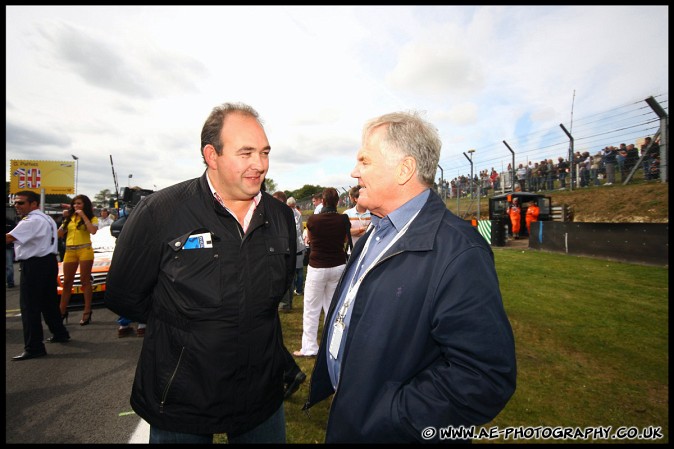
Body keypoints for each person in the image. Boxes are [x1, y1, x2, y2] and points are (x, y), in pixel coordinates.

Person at [303, 110, 516, 443]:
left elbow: (484, 375)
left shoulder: (458, 251)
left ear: (404, 169)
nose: (354, 171)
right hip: (351, 415)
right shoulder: (376, 232)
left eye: (365, 161)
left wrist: (390, 414)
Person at [104, 102, 296, 443]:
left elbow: (273, 296)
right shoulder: (160, 211)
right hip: (182, 396)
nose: (260, 165)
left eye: (265, 152)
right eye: (246, 152)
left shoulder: (280, 216)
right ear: (212, 155)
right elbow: (124, 295)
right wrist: (187, 328)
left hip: (260, 396)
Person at [6, 191, 71, 361]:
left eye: (21, 203)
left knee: (29, 307)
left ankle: (34, 346)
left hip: (35, 265)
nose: (17, 206)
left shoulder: (31, 220)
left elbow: (9, 238)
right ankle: (60, 332)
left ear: (33, 204)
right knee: (48, 302)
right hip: (48, 262)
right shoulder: (45, 218)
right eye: (16, 203)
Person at [294, 187, 350, 358]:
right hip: (338, 265)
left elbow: (309, 238)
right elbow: (346, 239)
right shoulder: (343, 219)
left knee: (312, 309)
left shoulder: (313, 220)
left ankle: (310, 347)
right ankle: (331, 344)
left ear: (323, 201)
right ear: (338, 202)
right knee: (332, 308)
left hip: (317, 267)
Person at [58, 194, 99, 325]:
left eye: (79, 203)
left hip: (85, 250)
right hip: (70, 250)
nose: (76, 206)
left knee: (84, 281)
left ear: (85, 205)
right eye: (75, 204)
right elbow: (59, 234)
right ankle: (62, 311)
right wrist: (64, 219)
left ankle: (87, 311)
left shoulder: (92, 218)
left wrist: (83, 216)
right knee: (67, 282)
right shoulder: (69, 218)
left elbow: (93, 231)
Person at [342, 185, 371, 254]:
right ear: (355, 199)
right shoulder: (347, 213)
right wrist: (363, 229)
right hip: (352, 252)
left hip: (370, 252)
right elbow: (344, 232)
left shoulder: (373, 213)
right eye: (363, 197)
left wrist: (355, 231)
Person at [286, 196, 306, 295]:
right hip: (300, 245)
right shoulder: (298, 213)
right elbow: (301, 229)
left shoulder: (286, 214)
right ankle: (299, 289)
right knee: (300, 270)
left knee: (293, 270)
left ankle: (294, 289)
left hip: (292, 246)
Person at [6, 217, 17, 288]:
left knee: (9, 265)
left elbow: (16, 234)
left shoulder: (10, 222)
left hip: (8, 247)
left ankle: (10, 282)